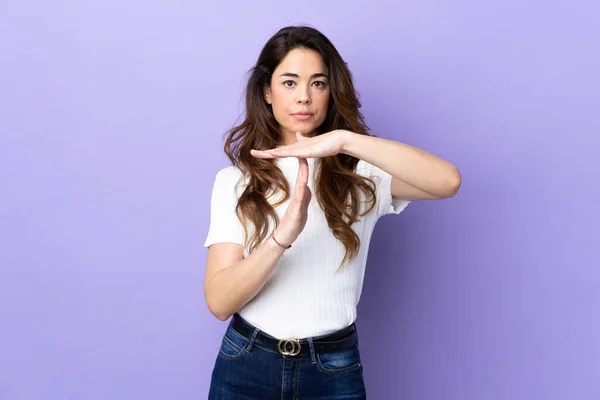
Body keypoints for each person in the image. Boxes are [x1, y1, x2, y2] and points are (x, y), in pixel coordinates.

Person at [203, 25, 461, 400]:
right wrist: (280, 239)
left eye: (318, 83)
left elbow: (448, 181)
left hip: (332, 368)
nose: (304, 97)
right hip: (247, 362)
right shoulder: (235, 181)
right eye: (289, 83)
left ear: (331, 92)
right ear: (267, 92)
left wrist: (344, 140)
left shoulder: (361, 174)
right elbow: (220, 302)